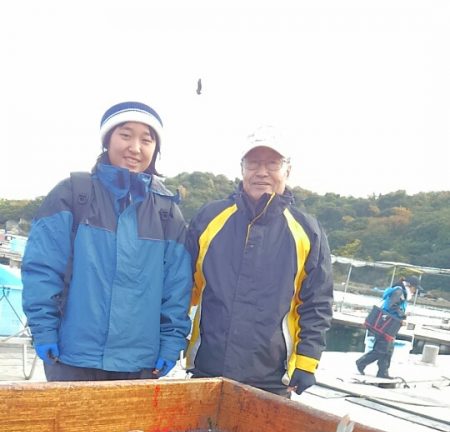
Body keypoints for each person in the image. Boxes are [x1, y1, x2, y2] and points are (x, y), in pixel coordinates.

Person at [22, 101, 192, 381]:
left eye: (146, 139)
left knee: (132, 429)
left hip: (139, 363)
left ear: (155, 149)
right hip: (71, 356)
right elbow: (42, 269)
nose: (135, 148)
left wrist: (172, 343)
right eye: (125, 135)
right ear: (107, 139)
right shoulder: (72, 194)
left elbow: (177, 289)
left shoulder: (167, 211)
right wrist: (43, 329)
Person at [185, 126, 334, 396]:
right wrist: (170, 342)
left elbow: (316, 303)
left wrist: (307, 362)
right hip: (206, 367)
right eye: (253, 163)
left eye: (272, 163)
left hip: (271, 377)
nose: (262, 172)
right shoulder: (209, 217)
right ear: (242, 168)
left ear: (287, 170)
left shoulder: (307, 231)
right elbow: (184, 289)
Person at [355, 276, 419, 378]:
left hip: (389, 325)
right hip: (385, 325)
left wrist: (402, 316)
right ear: (410, 286)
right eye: (415, 288)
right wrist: (403, 316)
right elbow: (391, 306)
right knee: (381, 349)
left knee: (388, 350)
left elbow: (395, 307)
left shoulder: (401, 292)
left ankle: (383, 373)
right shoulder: (399, 292)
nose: (415, 291)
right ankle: (361, 362)